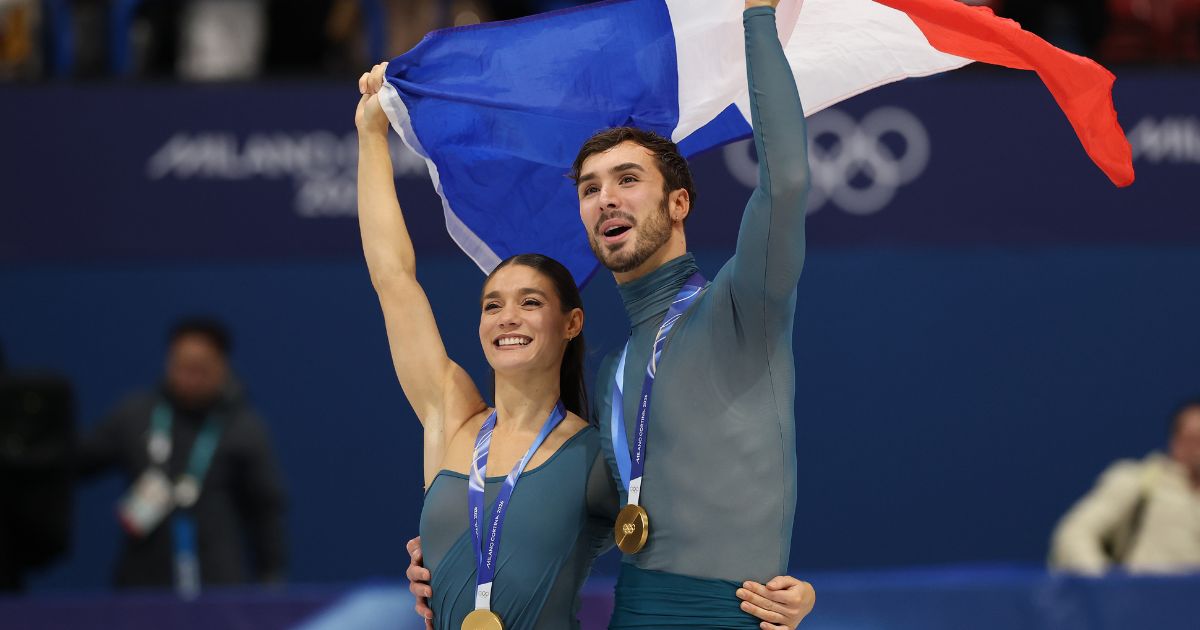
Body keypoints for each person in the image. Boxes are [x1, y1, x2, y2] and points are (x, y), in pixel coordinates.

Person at [356, 23, 812, 623]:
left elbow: (787, 184)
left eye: (628, 179)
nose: (606, 198)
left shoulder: (737, 308)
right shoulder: (618, 374)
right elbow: (394, 282)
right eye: (590, 188)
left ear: (679, 203)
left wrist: (756, 19)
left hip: (727, 612)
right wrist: (439, 561)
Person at [78, 317, 288, 589]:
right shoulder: (135, 416)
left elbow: (266, 510)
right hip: (143, 585)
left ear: (222, 367)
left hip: (218, 584)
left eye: (199, 369)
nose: (188, 379)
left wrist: (271, 577)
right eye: (180, 367)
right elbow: (78, 461)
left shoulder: (244, 428)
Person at [1050, 398, 1200, 575]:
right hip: (1146, 599)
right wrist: (1107, 586)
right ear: (1176, 441)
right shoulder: (1137, 482)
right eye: (1193, 439)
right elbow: (1074, 534)